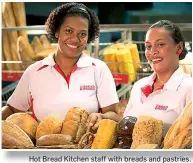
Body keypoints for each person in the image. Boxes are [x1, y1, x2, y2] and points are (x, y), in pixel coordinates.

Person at [2, 2, 119, 130]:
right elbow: (12, 110)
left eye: (83, 34)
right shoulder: (34, 71)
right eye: (69, 31)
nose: (75, 39)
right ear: (57, 32)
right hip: (41, 147)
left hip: (86, 147)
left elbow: (113, 114)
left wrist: (102, 117)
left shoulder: (99, 69)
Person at [124, 20, 192, 135]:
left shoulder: (188, 89)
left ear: (179, 48)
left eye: (160, 44)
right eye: (148, 46)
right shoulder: (138, 86)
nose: (153, 51)